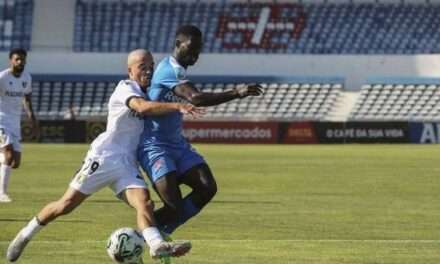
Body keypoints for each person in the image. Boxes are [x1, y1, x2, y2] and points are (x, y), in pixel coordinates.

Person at [6, 49, 202, 262]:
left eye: (151, 66)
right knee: (65, 205)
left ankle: (156, 245)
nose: (148, 71)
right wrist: (177, 105)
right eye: (142, 67)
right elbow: (142, 107)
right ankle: (25, 234)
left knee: (145, 203)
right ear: (130, 71)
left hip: (127, 163)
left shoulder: (150, 91)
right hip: (104, 157)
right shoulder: (125, 88)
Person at [137, 25, 263, 235]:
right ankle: (142, 237)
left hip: (178, 145)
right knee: (174, 208)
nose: (196, 54)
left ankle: (161, 233)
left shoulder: (179, 71)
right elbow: (196, 98)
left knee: (207, 187)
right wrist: (237, 92)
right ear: (178, 44)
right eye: (191, 48)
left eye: (199, 49)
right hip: (155, 147)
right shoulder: (168, 70)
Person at [0, 48, 38, 203]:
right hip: (1, 119)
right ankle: (1, 193)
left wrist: (32, 119)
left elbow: (27, 99)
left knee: (15, 163)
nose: (20, 62)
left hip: (15, 122)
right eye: (17, 59)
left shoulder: (27, 78)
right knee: (8, 155)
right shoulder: (2, 77)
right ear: (11, 60)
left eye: (22, 59)